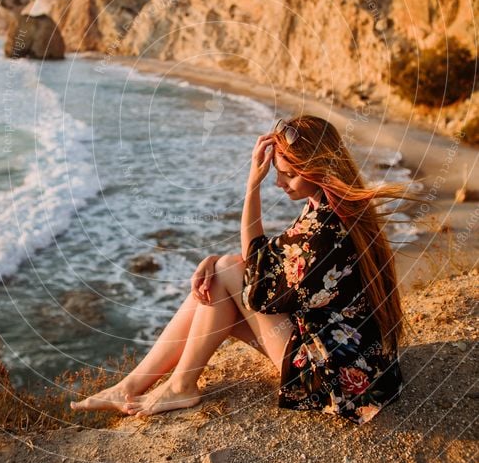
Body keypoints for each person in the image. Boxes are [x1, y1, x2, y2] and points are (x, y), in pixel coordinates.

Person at [70, 115, 422, 424]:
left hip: (341, 381)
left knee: (225, 275)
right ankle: (132, 386)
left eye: (287, 175)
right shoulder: (329, 206)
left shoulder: (326, 230)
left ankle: (180, 386)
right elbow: (270, 259)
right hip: (361, 361)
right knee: (218, 279)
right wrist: (213, 263)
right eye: (275, 174)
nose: (279, 182)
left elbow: (259, 288)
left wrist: (251, 185)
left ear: (318, 168)